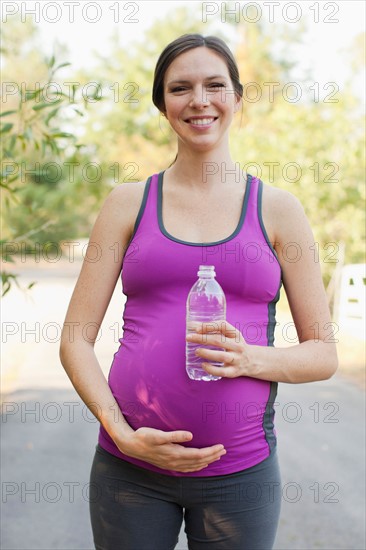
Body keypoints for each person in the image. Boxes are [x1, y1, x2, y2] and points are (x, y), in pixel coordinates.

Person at [60, 33, 338, 550]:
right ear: (163, 104)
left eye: (215, 85)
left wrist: (249, 360)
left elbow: (323, 354)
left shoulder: (279, 210)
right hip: (130, 472)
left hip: (240, 477)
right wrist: (120, 431)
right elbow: (74, 339)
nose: (199, 100)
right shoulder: (127, 203)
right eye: (180, 88)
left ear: (236, 96)